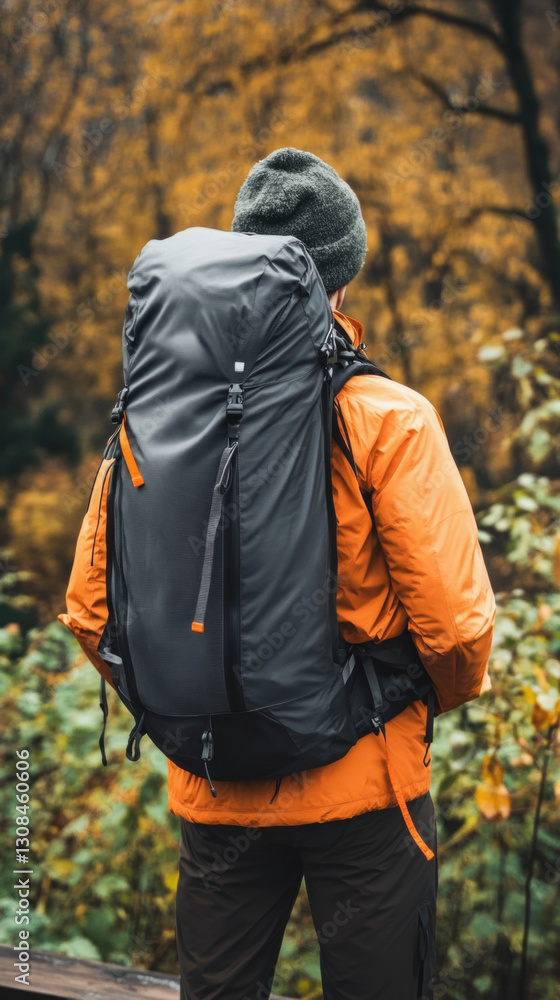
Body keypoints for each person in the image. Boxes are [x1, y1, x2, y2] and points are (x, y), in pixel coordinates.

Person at [168, 147, 496, 1000]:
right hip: (367, 793)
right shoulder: (391, 419)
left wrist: (193, 703)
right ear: (341, 280)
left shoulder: (163, 418)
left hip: (214, 780)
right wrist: (393, 705)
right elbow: (458, 631)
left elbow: (93, 609)